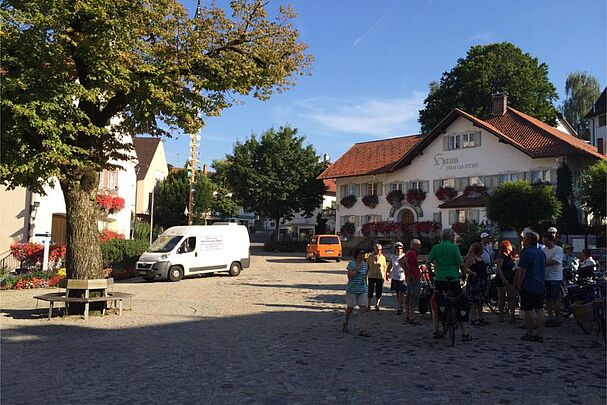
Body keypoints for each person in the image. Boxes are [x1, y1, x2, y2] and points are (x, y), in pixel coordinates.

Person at [427, 228, 473, 341]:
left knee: (437, 303)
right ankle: (465, 333)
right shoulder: (454, 248)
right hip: (453, 279)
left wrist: (431, 272)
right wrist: (463, 275)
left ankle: (435, 330)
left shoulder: (436, 248)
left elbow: (428, 262)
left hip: (439, 279)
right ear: (451, 237)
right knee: (460, 302)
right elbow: (461, 264)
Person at [515, 232, 546, 343]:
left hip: (529, 284)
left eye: (524, 239)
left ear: (528, 240)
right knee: (540, 309)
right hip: (540, 284)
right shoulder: (541, 252)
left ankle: (529, 333)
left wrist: (519, 284)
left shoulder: (526, 253)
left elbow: (522, 271)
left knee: (528, 310)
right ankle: (540, 334)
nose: (523, 240)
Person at [343, 248, 370, 337]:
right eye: (361, 253)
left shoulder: (366, 265)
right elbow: (350, 276)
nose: (363, 255)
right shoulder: (351, 264)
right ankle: (345, 322)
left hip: (362, 289)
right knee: (350, 308)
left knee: (363, 309)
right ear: (357, 254)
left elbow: (365, 277)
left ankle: (362, 329)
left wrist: (366, 287)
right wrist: (358, 268)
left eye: (364, 253)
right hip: (352, 289)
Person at [464, 242, 489, 326]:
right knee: (474, 301)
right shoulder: (472, 258)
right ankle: (474, 318)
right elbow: (464, 268)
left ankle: (480, 317)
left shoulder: (480, 257)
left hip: (482, 281)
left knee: (480, 301)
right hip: (475, 281)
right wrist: (472, 273)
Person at [542, 233, 563, 327]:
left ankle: (557, 318)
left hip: (555, 277)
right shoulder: (543, 250)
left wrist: (543, 263)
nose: (545, 243)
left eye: (546, 241)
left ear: (551, 240)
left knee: (555, 298)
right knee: (547, 299)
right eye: (544, 241)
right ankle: (550, 317)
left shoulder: (558, 249)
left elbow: (554, 262)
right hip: (545, 277)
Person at [495, 240, 517, 322]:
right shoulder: (502, 256)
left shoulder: (509, 256)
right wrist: (503, 279)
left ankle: (512, 316)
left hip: (510, 277)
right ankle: (501, 315)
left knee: (511, 297)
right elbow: (498, 269)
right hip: (502, 279)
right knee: (502, 298)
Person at [403, 239, 422, 324]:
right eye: (418, 245)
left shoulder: (409, 253)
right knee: (414, 296)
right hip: (414, 278)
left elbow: (403, 261)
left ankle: (408, 316)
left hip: (412, 278)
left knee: (409, 296)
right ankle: (412, 317)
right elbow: (404, 262)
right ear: (413, 245)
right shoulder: (411, 253)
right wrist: (410, 274)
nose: (420, 247)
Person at [387, 242, 407, 314]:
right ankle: (400, 304)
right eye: (397, 248)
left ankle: (401, 306)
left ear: (402, 249)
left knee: (401, 292)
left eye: (400, 248)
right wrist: (387, 273)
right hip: (395, 277)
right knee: (397, 293)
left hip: (403, 277)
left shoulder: (404, 256)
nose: (399, 250)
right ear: (395, 249)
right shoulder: (393, 257)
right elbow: (390, 266)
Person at [366, 244, 388, 311]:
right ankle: (369, 304)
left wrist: (385, 276)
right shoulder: (370, 256)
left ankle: (377, 304)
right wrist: (365, 275)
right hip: (371, 275)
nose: (379, 251)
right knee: (370, 290)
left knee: (379, 291)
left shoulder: (383, 257)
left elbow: (384, 267)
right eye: (378, 249)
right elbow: (367, 266)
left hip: (379, 276)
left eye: (380, 249)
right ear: (375, 249)